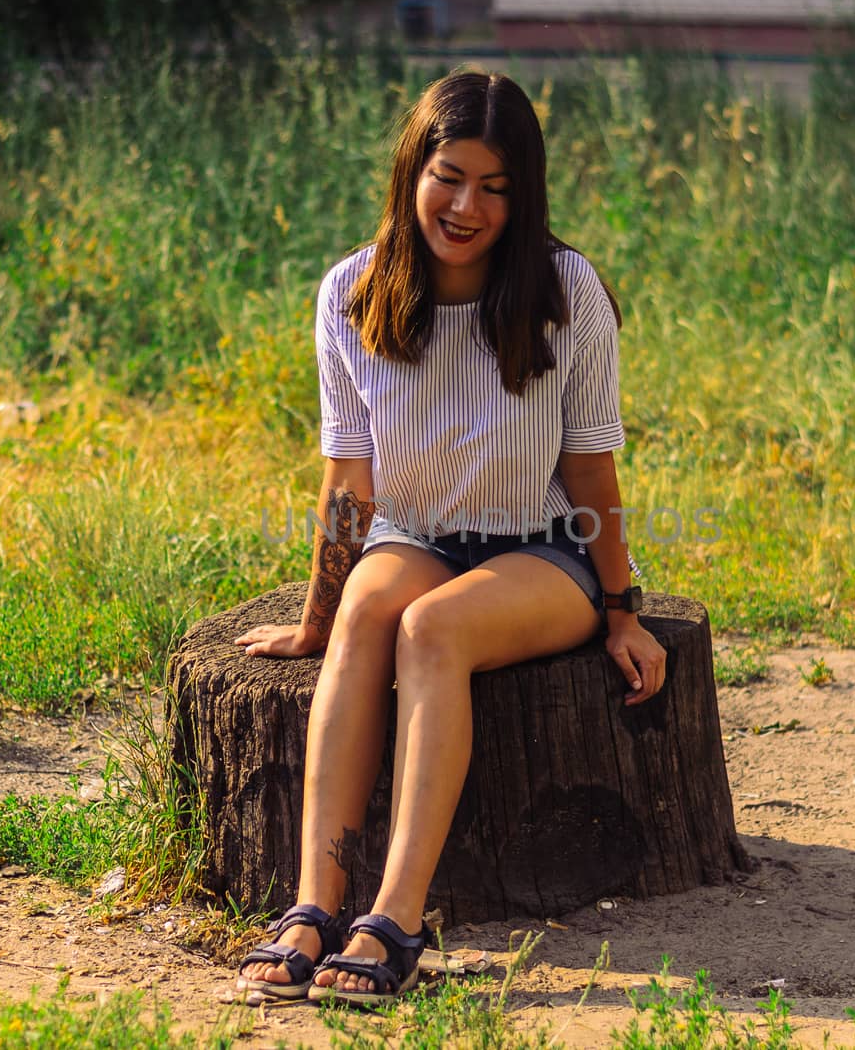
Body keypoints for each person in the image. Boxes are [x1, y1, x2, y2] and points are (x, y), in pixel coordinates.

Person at [231, 69, 666, 1007]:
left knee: (433, 631)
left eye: (496, 187)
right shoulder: (352, 291)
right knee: (363, 620)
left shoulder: (565, 289)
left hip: (541, 549)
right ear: (411, 172)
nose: (467, 206)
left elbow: (591, 471)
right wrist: (315, 617)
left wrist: (623, 609)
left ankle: (398, 917)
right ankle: (314, 904)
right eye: (450, 176)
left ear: (524, 196)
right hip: (414, 533)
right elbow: (350, 481)